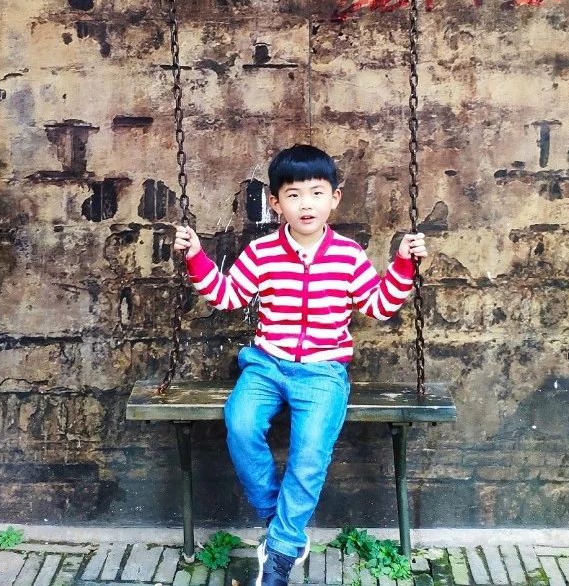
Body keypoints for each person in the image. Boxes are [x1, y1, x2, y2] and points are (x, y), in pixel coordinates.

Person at [173, 144, 426, 586]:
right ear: (276, 203)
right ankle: (282, 528)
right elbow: (226, 296)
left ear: (334, 198)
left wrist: (404, 262)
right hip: (267, 365)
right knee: (241, 424)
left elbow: (380, 306)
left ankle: (279, 555)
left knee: (309, 452)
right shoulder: (262, 252)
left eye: (316, 192)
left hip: (323, 371)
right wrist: (195, 254)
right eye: (293, 195)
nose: (305, 204)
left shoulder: (348, 255)